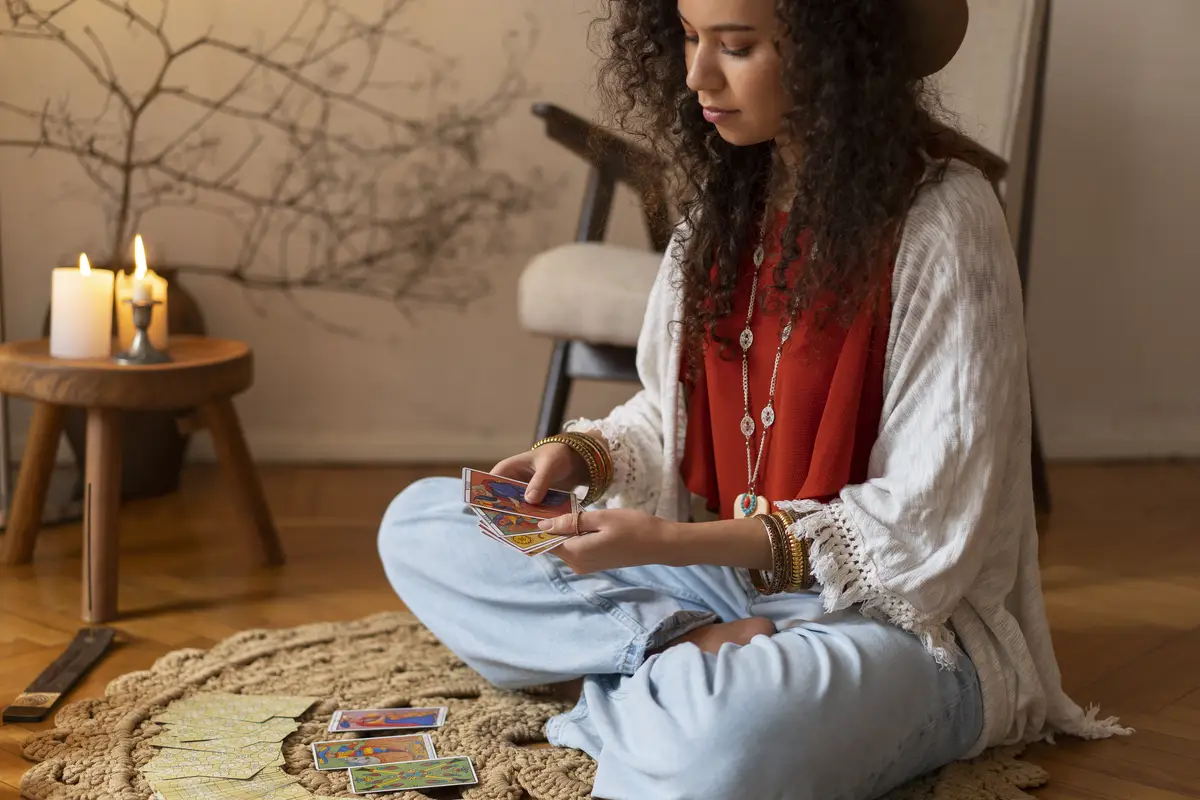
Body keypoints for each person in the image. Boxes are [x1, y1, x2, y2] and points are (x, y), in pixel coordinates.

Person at [378, 1, 1129, 797]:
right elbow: (672, 416)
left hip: (897, 628)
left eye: (734, 47)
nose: (697, 75)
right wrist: (584, 454)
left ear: (834, 55)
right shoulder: (722, 207)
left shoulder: (945, 217)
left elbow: (924, 536)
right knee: (421, 523)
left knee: (725, 739)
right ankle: (675, 654)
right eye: (690, 39)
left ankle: (653, 684)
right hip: (717, 588)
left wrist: (667, 545)